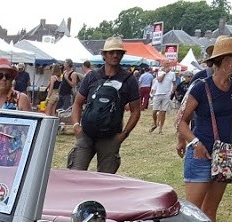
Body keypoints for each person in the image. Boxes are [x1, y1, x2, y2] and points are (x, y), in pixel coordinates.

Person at [176, 36, 232, 221]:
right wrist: (194, 143)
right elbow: (180, 121)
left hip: (223, 156)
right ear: (226, 60)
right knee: (192, 214)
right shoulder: (201, 87)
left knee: (210, 211)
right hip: (201, 155)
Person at [68, 37, 141, 173]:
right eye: (111, 52)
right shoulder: (92, 77)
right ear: (104, 54)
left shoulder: (129, 80)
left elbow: (136, 111)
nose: (115, 55)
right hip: (86, 134)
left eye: (118, 52)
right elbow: (77, 103)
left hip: (110, 136)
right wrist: (76, 126)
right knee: (74, 175)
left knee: (105, 181)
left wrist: (124, 134)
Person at [148, 63, 175, 132]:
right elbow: (159, 80)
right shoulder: (159, 73)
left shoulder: (172, 74)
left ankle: (160, 128)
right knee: (154, 111)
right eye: (166, 65)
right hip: (158, 94)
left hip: (166, 95)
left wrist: (172, 92)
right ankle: (155, 123)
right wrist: (164, 73)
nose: (167, 66)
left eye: (168, 65)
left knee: (163, 112)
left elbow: (174, 84)